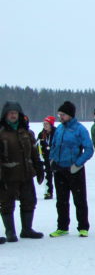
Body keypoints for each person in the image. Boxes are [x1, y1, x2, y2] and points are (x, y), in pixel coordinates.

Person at [0, 101, 45, 241]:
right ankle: (10, 232)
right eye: (10, 113)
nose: (13, 115)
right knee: (7, 203)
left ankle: (27, 229)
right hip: (8, 175)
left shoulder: (26, 131)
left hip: (26, 173)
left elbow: (34, 153)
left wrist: (39, 168)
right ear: (5, 115)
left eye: (15, 113)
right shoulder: (1, 132)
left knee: (29, 201)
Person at [48, 101, 93, 237]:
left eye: (63, 114)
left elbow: (89, 149)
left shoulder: (80, 129)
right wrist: (52, 160)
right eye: (59, 114)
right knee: (61, 201)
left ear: (70, 115)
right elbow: (54, 145)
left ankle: (83, 227)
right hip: (60, 169)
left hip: (74, 170)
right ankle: (62, 227)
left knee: (79, 200)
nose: (60, 117)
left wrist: (78, 164)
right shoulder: (59, 129)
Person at [37, 115, 56, 199]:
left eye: (47, 124)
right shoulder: (41, 134)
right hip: (46, 158)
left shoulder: (56, 132)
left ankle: (61, 191)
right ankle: (48, 192)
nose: (45, 126)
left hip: (55, 158)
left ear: (51, 125)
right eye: (44, 124)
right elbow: (36, 145)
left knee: (58, 176)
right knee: (48, 175)